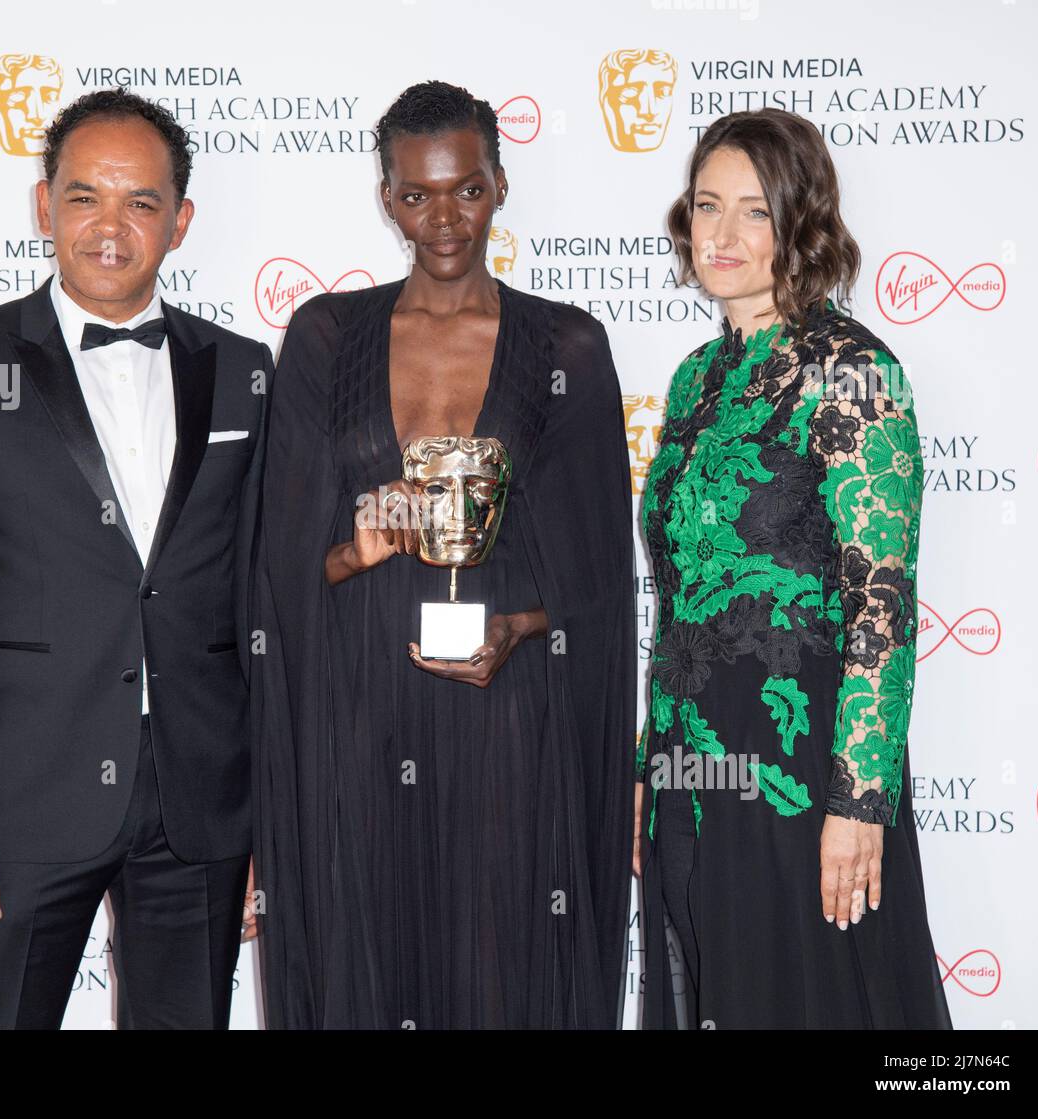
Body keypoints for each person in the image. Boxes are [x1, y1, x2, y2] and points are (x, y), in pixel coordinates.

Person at [0, 89, 269, 1029]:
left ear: (180, 221)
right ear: (44, 206)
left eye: (140, 202)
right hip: (19, 802)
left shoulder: (247, 370)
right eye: (85, 196)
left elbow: (261, 602)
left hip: (199, 803)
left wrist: (269, 814)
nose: (109, 226)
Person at [250, 80, 636, 1029]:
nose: (442, 218)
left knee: (503, 959)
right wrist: (357, 547)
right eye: (417, 195)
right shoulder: (323, 336)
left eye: (464, 189)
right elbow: (280, 565)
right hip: (360, 712)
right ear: (386, 198)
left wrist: (521, 626)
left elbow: (599, 584)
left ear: (499, 185)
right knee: (366, 951)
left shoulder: (570, 346)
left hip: (508, 716)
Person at [636, 108, 952, 1028]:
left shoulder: (854, 373)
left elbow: (882, 605)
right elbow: (683, 600)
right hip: (692, 771)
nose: (723, 236)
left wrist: (859, 803)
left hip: (801, 769)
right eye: (706, 207)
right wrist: (648, 767)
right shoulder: (698, 376)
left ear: (801, 223)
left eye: (754, 211)